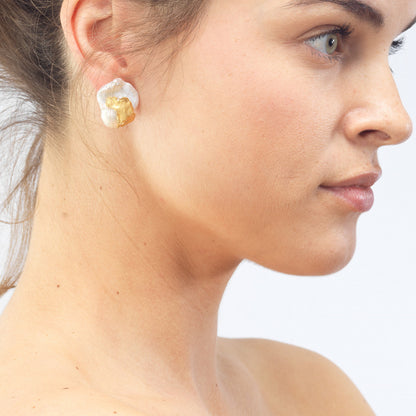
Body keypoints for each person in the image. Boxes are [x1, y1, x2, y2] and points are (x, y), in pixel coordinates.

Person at [0, 0, 415, 414]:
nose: (396, 120)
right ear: (109, 39)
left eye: (392, 46)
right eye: (329, 40)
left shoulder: (313, 394)